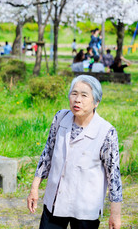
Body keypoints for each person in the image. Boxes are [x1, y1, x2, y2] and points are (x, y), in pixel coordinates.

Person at [27, 75, 122, 229]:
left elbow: (114, 175)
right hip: (55, 202)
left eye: (84, 95)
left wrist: (115, 213)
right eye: (74, 93)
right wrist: (34, 188)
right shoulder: (60, 118)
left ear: (96, 102)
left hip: (86, 207)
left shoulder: (106, 132)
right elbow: (47, 154)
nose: (77, 99)